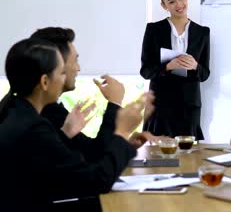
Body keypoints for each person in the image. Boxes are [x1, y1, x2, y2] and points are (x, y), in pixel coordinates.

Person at [0, 38, 150, 210]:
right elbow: (97, 181)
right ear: (44, 82)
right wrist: (122, 133)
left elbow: (56, 172)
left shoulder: (16, 112)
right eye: (62, 72)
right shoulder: (34, 127)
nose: (66, 78)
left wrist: (64, 134)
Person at [31, 27, 160, 162]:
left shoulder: (47, 106)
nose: (78, 68)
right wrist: (114, 103)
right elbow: (98, 156)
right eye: (75, 60)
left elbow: (90, 149)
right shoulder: (45, 113)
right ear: (56, 65)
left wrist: (125, 144)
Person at [140, 0, 210, 140]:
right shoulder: (154, 30)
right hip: (160, 106)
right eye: (171, 1)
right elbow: (145, 71)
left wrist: (195, 66)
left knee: (189, 158)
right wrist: (168, 66)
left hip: (189, 107)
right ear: (164, 6)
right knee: (158, 158)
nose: (179, 4)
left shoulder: (202, 32)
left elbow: (205, 74)